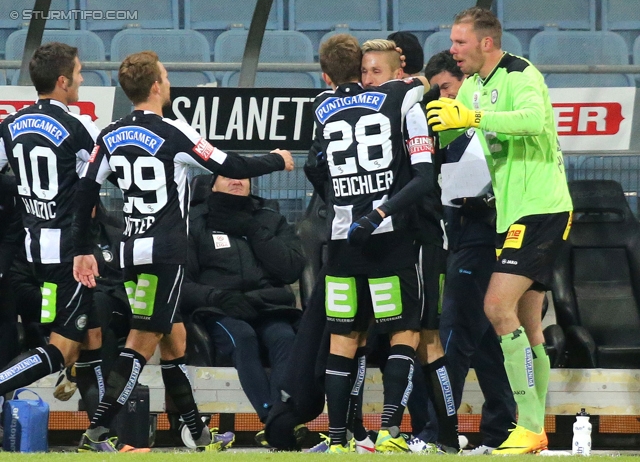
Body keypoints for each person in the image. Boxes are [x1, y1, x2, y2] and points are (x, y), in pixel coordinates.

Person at [72, 50, 294, 452]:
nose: (169, 82)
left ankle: (196, 433)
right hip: (164, 251)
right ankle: (98, 429)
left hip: (130, 250)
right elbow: (232, 165)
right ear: (156, 85)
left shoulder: (110, 133)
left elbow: (86, 189)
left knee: (172, 336)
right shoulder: (175, 131)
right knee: (144, 338)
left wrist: (81, 247)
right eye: (166, 76)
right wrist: (276, 159)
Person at [426, 7, 573, 454]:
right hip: (512, 216)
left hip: (542, 208)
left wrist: (470, 120)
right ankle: (536, 428)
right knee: (529, 324)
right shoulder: (472, 87)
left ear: (486, 42)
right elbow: (445, 135)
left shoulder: (521, 73)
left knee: (495, 306)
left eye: (460, 42)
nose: (453, 50)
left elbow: (532, 121)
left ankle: (525, 424)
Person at [309, 33, 436, 453]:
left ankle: (341, 438)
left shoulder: (321, 107)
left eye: (373, 70)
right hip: (387, 239)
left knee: (343, 339)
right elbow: (423, 175)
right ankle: (388, 433)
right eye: (364, 70)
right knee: (402, 330)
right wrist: (380, 210)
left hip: (342, 241)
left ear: (327, 73)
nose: (368, 77)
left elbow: (313, 165)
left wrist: (338, 201)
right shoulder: (401, 97)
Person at [0, 42, 105, 428]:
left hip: (35, 252)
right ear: (62, 81)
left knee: (91, 334)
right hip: (70, 252)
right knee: (61, 350)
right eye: (78, 72)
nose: (81, 78)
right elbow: (103, 173)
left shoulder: (10, 124)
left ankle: (100, 432)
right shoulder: (79, 125)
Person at [425, 49, 517, 454]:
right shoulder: (443, 132)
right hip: (458, 230)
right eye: (436, 93)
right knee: (484, 344)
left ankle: (437, 433)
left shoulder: (485, 124)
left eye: (447, 87)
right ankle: (501, 431)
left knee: (455, 331)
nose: (443, 98)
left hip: (483, 227)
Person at [182, 173, 305, 447]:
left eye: (243, 176)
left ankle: (278, 420)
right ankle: (273, 420)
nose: (237, 180)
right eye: (227, 176)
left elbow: (291, 268)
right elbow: (182, 284)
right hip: (217, 310)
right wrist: (218, 297)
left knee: (285, 338)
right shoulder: (193, 221)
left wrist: (253, 229)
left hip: (268, 306)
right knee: (243, 337)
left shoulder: (270, 220)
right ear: (211, 185)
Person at [380, 33, 460, 454]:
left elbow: (427, 176)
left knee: (422, 334)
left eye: (375, 70)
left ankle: (397, 431)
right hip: (398, 236)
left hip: (425, 234)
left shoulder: (423, 106)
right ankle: (439, 436)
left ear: (400, 66)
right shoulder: (379, 110)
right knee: (415, 335)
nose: (368, 80)